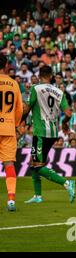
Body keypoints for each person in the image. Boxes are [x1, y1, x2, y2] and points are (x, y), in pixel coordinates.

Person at [21, 65, 76, 204]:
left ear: (39, 75)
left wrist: (19, 122)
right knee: (34, 162)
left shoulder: (35, 88)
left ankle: (66, 183)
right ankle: (38, 196)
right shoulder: (59, 91)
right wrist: (64, 124)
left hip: (40, 132)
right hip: (53, 132)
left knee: (38, 165)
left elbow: (26, 109)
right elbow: (69, 113)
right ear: (51, 76)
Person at [0, 53, 23, 211]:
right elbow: (19, 109)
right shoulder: (13, 83)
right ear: (6, 65)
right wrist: (15, 125)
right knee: (9, 164)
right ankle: (11, 199)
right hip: (8, 128)